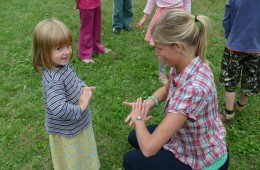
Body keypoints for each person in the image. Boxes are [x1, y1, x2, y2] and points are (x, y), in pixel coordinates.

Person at [123, 9, 229, 170]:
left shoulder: (193, 89)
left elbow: (149, 149)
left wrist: (138, 118)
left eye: (159, 48)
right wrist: (146, 105)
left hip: (202, 161)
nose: (156, 52)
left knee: (131, 160)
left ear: (178, 46)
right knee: (134, 137)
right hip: (184, 140)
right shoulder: (186, 62)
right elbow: (166, 89)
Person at [32, 18, 100, 170]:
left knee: (83, 154)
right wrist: (80, 108)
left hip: (77, 124)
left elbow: (74, 80)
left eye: (68, 45)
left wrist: (83, 88)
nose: (67, 51)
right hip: (67, 130)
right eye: (59, 48)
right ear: (43, 51)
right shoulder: (53, 79)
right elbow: (59, 108)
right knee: (73, 160)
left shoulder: (62, 66)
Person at [219, 0, 260, 124]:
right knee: (250, 78)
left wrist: (229, 35)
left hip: (235, 45)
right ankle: (241, 105)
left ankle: (228, 113)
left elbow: (227, 18)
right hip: (257, 49)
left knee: (230, 79)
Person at [137, 0, 191, 84]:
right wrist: (145, 17)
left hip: (178, 17)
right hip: (163, 18)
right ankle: (162, 72)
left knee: (179, 46)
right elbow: (151, 1)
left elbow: (187, 2)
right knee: (162, 49)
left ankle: (180, 70)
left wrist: (188, 19)